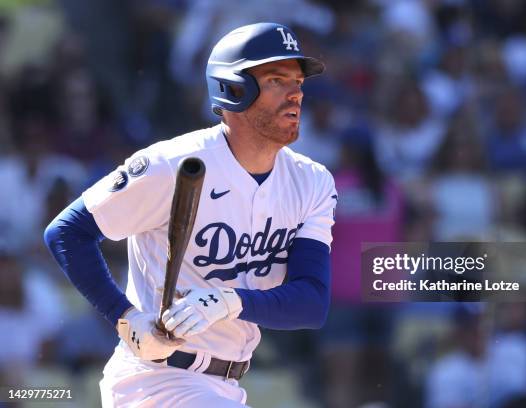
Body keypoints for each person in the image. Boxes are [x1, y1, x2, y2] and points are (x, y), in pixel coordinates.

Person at [44, 22, 337, 407]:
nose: (296, 93)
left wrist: (229, 301)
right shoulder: (171, 164)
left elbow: (311, 303)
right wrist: (125, 318)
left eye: (297, 81)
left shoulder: (312, 181)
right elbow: (67, 231)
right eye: (277, 79)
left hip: (228, 384)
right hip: (157, 379)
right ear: (235, 89)